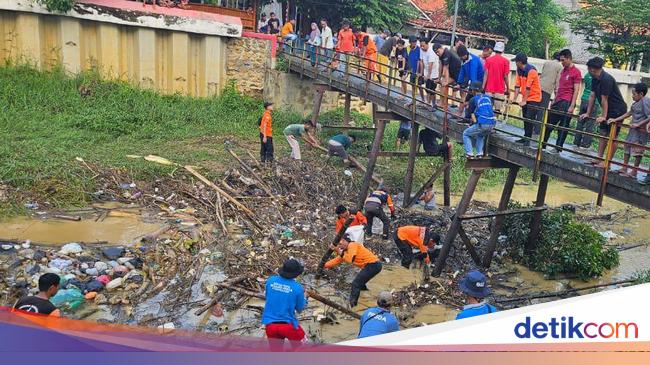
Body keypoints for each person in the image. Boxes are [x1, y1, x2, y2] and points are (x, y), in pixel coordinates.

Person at [579, 57, 628, 168]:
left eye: (588, 69)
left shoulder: (607, 79)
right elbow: (592, 95)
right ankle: (599, 157)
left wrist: (603, 116)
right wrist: (588, 113)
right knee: (602, 133)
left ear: (593, 69)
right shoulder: (595, 79)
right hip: (608, 108)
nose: (588, 71)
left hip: (617, 109)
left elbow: (604, 99)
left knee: (612, 135)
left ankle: (607, 162)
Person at [262, 259, 309, 350]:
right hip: (288, 326)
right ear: (296, 274)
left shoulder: (270, 281)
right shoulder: (297, 288)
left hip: (270, 326)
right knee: (304, 348)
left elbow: (268, 296)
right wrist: (305, 298)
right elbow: (299, 309)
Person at [324, 234, 383, 307]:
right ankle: (366, 296)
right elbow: (335, 261)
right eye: (339, 245)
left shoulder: (352, 245)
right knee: (360, 284)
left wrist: (337, 250)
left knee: (356, 284)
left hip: (373, 265)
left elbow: (349, 259)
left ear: (345, 241)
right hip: (370, 266)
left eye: (340, 244)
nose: (340, 246)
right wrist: (323, 265)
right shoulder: (345, 252)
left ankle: (353, 306)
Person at [542, 49, 582, 153]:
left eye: (563, 60)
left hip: (567, 101)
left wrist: (572, 105)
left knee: (563, 126)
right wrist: (555, 100)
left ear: (569, 58)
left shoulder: (576, 72)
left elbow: (577, 89)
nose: (562, 62)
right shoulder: (563, 70)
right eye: (561, 60)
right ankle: (543, 144)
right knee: (549, 124)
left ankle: (558, 147)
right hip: (558, 100)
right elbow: (559, 86)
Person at [607, 83, 649, 179]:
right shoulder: (635, 104)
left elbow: (649, 116)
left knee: (637, 150)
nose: (632, 96)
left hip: (640, 131)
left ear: (641, 94)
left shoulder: (646, 102)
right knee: (627, 146)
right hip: (633, 129)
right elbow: (629, 113)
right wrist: (616, 119)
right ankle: (624, 167)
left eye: (634, 94)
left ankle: (634, 171)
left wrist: (639, 124)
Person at [511, 53, 542, 146]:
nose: (515, 64)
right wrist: (514, 98)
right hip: (526, 97)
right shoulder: (519, 70)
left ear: (520, 62)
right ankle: (525, 137)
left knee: (529, 118)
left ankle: (528, 139)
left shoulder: (531, 71)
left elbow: (528, 87)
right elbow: (517, 85)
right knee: (525, 118)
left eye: (516, 62)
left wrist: (524, 101)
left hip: (534, 97)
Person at [463, 81, 496, 158]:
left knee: (466, 134)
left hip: (483, 124)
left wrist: (473, 123)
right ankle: (479, 154)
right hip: (492, 125)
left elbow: (471, 115)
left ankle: (469, 153)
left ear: (473, 91)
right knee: (480, 135)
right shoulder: (489, 98)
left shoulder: (473, 99)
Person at [572, 71, 601, 149]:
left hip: (584, 99)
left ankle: (576, 142)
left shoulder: (587, 75)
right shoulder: (598, 76)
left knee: (580, 121)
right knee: (590, 123)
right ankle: (585, 145)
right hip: (594, 101)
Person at [456, 45, 485, 118]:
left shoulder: (473, 60)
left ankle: (473, 118)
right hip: (472, 83)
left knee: (474, 102)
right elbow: (462, 72)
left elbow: (473, 76)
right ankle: (467, 117)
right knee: (467, 102)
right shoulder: (464, 60)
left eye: (462, 56)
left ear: (465, 54)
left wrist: (472, 88)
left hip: (478, 84)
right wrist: (459, 83)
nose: (461, 58)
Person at [482, 41, 510, 115]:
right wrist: (508, 88)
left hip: (489, 89)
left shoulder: (488, 60)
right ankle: (494, 124)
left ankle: (488, 123)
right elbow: (505, 76)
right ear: (503, 50)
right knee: (497, 110)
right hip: (499, 90)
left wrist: (483, 87)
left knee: (487, 108)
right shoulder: (506, 62)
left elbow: (486, 74)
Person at [418, 38, 440, 109]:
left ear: (428, 44)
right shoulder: (421, 50)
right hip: (426, 71)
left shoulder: (431, 52)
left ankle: (431, 104)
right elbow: (421, 61)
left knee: (431, 89)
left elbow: (431, 64)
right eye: (421, 46)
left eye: (423, 46)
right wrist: (422, 73)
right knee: (427, 89)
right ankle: (429, 103)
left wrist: (428, 76)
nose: (422, 47)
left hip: (433, 73)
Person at [407, 36, 422, 100]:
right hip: (411, 70)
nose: (414, 43)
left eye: (415, 42)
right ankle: (413, 99)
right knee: (412, 85)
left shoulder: (419, 49)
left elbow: (419, 61)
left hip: (417, 71)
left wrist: (418, 71)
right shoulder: (409, 49)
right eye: (413, 42)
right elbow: (409, 59)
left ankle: (423, 99)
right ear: (410, 42)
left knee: (419, 86)